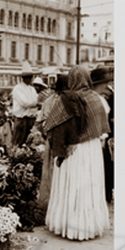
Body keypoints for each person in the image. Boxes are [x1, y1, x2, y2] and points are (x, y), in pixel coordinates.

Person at [44, 65, 110, 240]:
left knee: (73, 183)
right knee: (89, 185)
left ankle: (68, 225)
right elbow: (102, 127)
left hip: (73, 150)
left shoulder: (66, 99)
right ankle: (89, 226)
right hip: (92, 149)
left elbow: (49, 124)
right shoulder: (96, 99)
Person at [36, 74, 68, 210]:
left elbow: (40, 122)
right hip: (64, 141)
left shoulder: (48, 101)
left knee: (50, 171)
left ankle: (50, 203)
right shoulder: (66, 100)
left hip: (51, 140)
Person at [91, 66, 114, 203]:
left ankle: (105, 194)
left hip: (102, 139)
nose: (107, 85)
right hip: (98, 139)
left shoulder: (100, 98)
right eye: (105, 82)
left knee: (104, 167)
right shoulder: (97, 99)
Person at [11, 65, 38, 145]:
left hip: (31, 118)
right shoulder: (17, 88)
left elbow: (35, 100)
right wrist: (35, 103)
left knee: (29, 141)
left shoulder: (32, 89)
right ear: (25, 78)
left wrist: (34, 103)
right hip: (21, 119)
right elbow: (25, 103)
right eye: (30, 77)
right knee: (18, 141)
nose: (31, 79)